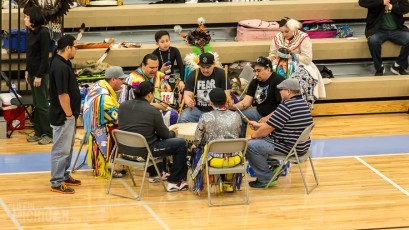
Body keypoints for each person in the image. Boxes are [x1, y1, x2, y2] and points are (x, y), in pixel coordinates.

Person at [118, 81, 189, 192]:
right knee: (181, 143)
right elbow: (165, 135)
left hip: (124, 152)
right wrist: (173, 133)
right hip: (143, 153)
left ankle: (155, 174)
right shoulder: (153, 111)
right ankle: (175, 182)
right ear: (150, 95)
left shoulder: (122, 106)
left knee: (150, 138)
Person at [246, 79, 313, 188]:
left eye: (281, 90)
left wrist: (252, 136)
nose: (279, 92)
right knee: (263, 137)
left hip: (289, 147)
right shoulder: (302, 103)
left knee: (249, 146)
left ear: (288, 91)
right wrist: (259, 126)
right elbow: (276, 124)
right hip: (301, 146)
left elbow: (268, 128)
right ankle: (275, 166)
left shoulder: (287, 106)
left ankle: (266, 179)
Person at [190, 88, 242, 193]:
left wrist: (194, 145)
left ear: (211, 103)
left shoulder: (206, 117)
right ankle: (229, 183)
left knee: (196, 149)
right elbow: (238, 134)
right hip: (235, 159)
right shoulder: (236, 116)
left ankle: (202, 183)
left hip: (214, 160)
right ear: (226, 101)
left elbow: (198, 139)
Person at [49, 34, 81, 194]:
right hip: (63, 116)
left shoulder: (63, 62)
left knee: (68, 147)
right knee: (61, 149)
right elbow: (62, 94)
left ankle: (64, 174)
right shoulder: (60, 66)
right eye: (75, 46)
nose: (76, 49)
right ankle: (56, 182)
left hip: (69, 115)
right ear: (68, 48)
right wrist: (69, 115)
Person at [82, 66, 127, 178]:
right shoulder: (104, 98)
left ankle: (120, 164)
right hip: (99, 129)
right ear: (113, 79)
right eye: (121, 79)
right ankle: (112, 164)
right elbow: (117, 118)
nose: (123, 82)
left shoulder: (100, 83)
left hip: (95, 124)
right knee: (125, 130)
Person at [268, 17, 326, 99]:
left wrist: (293, 55)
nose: (284, 34)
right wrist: (269, 58)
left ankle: (299, 102)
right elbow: (273, 54)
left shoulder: (303, 37)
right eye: (282, 32)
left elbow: (307, 59)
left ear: (294, 29)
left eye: (286, 31)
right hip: (279, 63)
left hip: (300, 64)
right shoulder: (277, 37)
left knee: (299, 78)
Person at [229, 56, 284, 138]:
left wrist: (266, 118)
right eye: (255, 71)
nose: (256, 74)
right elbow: (245, 103)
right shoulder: (255, 81)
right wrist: (232, 106)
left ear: (268, 69)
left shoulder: (278, 81)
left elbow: (283, 107)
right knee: (237, 115)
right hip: (258, 113)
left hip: (275, 116)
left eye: (259, 71)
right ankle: (240, 143)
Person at [118, 53, 179, 126]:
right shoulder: (136, 80)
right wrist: (157, 106)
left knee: (173, 113)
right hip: (134, 112)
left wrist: (168, 102)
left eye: (156, 67)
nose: (155, 70)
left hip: (153, 108)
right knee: (172, 115)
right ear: (143, 65)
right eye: (152, 67)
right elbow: (137, 104)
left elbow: (167, 93)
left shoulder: (159, 75)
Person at [23, 6, 53, 145]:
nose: (24, 19)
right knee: (36, 104)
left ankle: (48, 133)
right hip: (32, 73)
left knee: (42, 106)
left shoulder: (44, 32)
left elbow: (44, 57)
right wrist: (27, 70)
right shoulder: (31, 32)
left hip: (40, 74)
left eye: (26, 17)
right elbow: (31, 55)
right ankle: (38, 132)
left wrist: (39, 76)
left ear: (33, 18)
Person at [359, 0, 409, 76]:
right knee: (372, 41)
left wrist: (392, 7)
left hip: (397, 30)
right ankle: (379, 68)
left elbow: (406, 7)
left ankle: (398, 65)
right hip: (378, 30)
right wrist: (381, 2)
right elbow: (362, 2)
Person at [180, 53, 231, 123]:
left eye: (208, 67)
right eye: (202, 67)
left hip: (216, 109)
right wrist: (189, 102)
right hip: (197, 109)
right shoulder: (193, 75)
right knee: (184, 118)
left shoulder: (222, 74)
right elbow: (187, 94)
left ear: (214, 64)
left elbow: (226, 95)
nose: (205, 70)